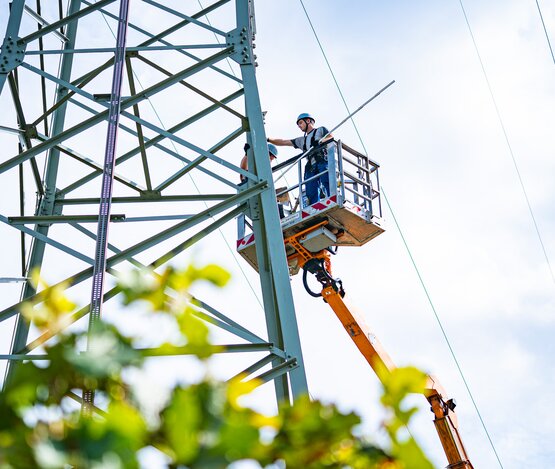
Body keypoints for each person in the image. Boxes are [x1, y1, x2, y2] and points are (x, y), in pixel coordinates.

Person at [268, 113, 332, 205]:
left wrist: (319, 142)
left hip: (322, 160)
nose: (299, 126)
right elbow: (284, 142)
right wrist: (268, 139)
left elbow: (330, 137)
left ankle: (332, 198)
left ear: (308, 121)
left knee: (327, 181)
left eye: (301, 122)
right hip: (311, 166)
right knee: (310, 188)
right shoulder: (302, 140)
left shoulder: (321, 130)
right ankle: (315, 206)